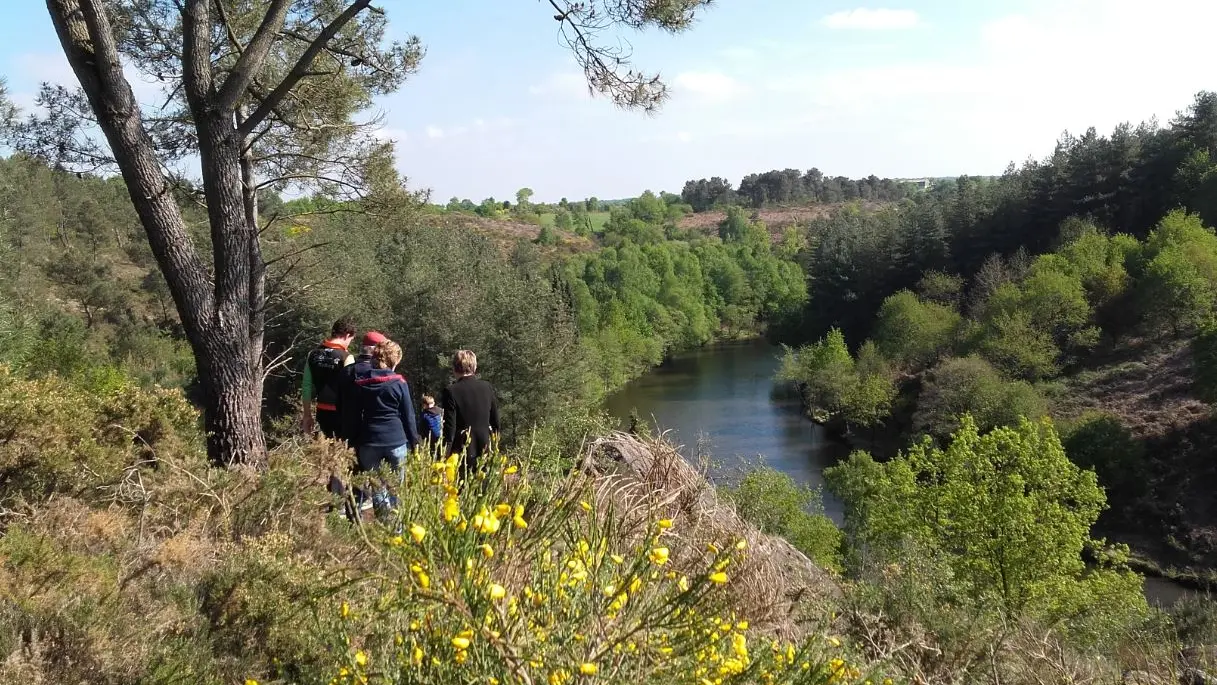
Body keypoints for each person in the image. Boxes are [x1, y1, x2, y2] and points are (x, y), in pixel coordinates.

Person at [353, 340, 420, 511]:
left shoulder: (360, 382)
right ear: (394, 360)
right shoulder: (399, 382)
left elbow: (353, 413)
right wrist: (415, 442)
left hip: (369, 441)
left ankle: (384, 527)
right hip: (395, 440)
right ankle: (397, 533)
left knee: (378, 492)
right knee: (396, 491)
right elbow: (408, 416)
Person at [441, 349, 500, 474]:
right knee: (485, 487)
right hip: (485, 445)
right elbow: (495, 421)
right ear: (475, 366)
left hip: (463, 448)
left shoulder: (451, 391)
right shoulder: (486, 387)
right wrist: (495, 445)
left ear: (454, 368)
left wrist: (446, 454)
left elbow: (450, 427)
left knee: (465, 488)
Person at [301, 317, 356, 438]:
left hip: (322, 411)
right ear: (347, 335)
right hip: (341, 413)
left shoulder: (313, 354)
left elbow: (306, 387)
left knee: (326, 447)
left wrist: (307, 415)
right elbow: (349, 390)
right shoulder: (347, 357)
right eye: (351, 340)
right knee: (342, 451)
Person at [339, 329, 388, 445]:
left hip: (348, 432)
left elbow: (339, 401)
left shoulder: (346, 371)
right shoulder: (381, 373)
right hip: (374, 434)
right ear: (377, 350)